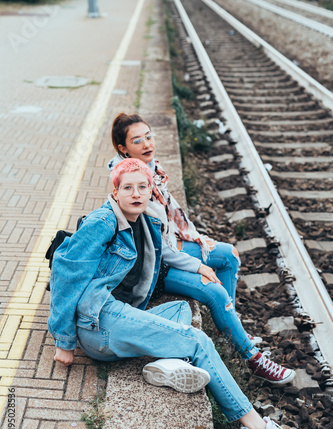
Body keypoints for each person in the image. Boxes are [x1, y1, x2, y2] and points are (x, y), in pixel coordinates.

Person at [48, 158, 297, 429]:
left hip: (120, 318)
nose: (136, 193)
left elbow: (167, 253)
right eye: (128, 187)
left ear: (151, 191)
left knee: (180, 310)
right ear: (115, 193)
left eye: (143, 187)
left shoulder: (147, 221)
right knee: (197, 340)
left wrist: (200, 268)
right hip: (98, 322)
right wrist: (63, 341)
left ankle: (170, 364)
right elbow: (65, 275)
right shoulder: (102, 222)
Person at [108, 113, 295, 385]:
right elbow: (160, 251)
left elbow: (169, 224)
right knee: (213, 288)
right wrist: (198, 265)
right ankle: (252, 358)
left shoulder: (151, 171)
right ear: (123, 149)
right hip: (155, 268)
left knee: (229, 256)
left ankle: (229, 328)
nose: (148, 143)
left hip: (169, 248)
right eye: (138, 140)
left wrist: (196, 239)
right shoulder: (132, 186)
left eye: (149, 136)